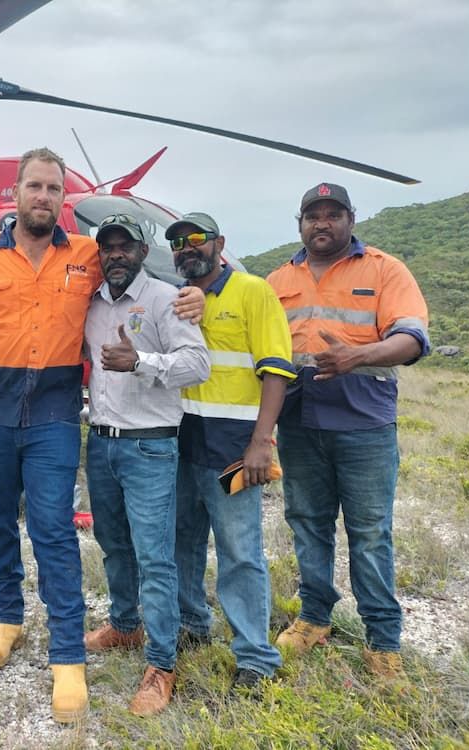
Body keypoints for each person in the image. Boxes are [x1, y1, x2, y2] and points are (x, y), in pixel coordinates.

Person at [0, 147, 204, 723]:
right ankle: (6, 619)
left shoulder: (88, 254)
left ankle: (66, 652)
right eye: (34, 187)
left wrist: (198, 292)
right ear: (14, 193)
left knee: (55, 530)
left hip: (55, 414)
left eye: (53, 190)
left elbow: (141, 279)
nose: (43, 197)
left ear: (64, 201)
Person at [266, 183, 429, 679]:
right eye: (313, 215)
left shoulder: (384, 269)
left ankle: (383, 639)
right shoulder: (277, 279)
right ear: (300, 223)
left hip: (363, 426)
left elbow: (412, 337)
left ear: (351, 220)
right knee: (308, 525)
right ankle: (315, 618)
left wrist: (359, 354)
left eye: (333, 214)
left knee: (369, 534)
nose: (323, 223)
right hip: (298, 423)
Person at [83, 213, 210, 716]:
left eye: (124, 246)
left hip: (151, 446)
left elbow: (198, 365)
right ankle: (125, 624)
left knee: (155, 557)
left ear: (142, 250)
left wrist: (141, 362)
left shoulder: (165, 298)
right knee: (113, 543)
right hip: (102, 442)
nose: (115, 254)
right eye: (107, 247)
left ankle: (161, 663)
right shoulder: (92, 303)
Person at [166, 212, 295, 693]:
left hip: (232, 449)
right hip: (181, 444)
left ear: (220, 243)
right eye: (178, 242)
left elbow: (276, 370)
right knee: (182, 543)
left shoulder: (253, 291)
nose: (187, 247)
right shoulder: (179, 300)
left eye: (197, 239)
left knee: (240, 553)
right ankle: (191, 628)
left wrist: (262, 442)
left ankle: (256, 658)